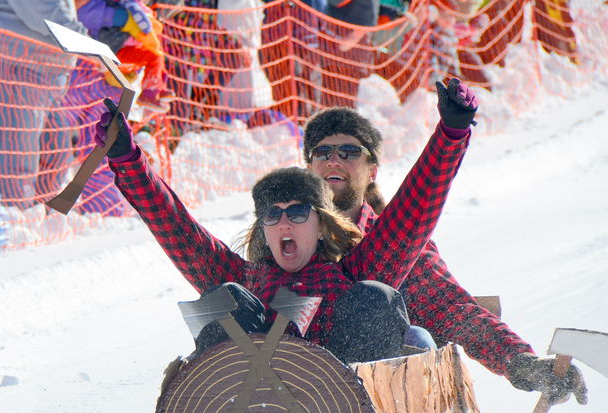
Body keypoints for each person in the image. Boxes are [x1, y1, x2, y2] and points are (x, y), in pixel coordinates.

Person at [92, 80, 474, 363]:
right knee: (224, 300)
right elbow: (175, 228)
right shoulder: (249, 281)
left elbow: (413, 215)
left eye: (297, 212)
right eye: (272, 215)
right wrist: (128, 161)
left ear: (322, 224)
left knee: (376, 298)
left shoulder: (356, 269)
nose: (284, 223)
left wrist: (450, 135)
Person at [302, 78, 587, 405]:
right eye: (322, 152)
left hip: (380, 400)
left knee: (418, 339)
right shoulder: (285, 239)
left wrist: (520, 362)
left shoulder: (403, 245)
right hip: (300, 392)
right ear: (307, 167)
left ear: (372, 171)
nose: (333, 160)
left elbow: (452, 309)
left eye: (349, 151)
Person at [0, 1, 88, 208]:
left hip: (46, 69)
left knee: (57, 151)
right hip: (16, 63)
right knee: (20, 152)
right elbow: (46, 14)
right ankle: (13, 217)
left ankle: (39, 215)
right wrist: (92, 47)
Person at [75, 0, 175, 113]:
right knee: (154, 54)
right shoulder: (119, 8)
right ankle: (150, 91)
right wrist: (128, 21)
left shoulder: (132, 7)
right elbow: (89, 15)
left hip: (110, 53)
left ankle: (155, 88)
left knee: (155, 55)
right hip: (107, 52)